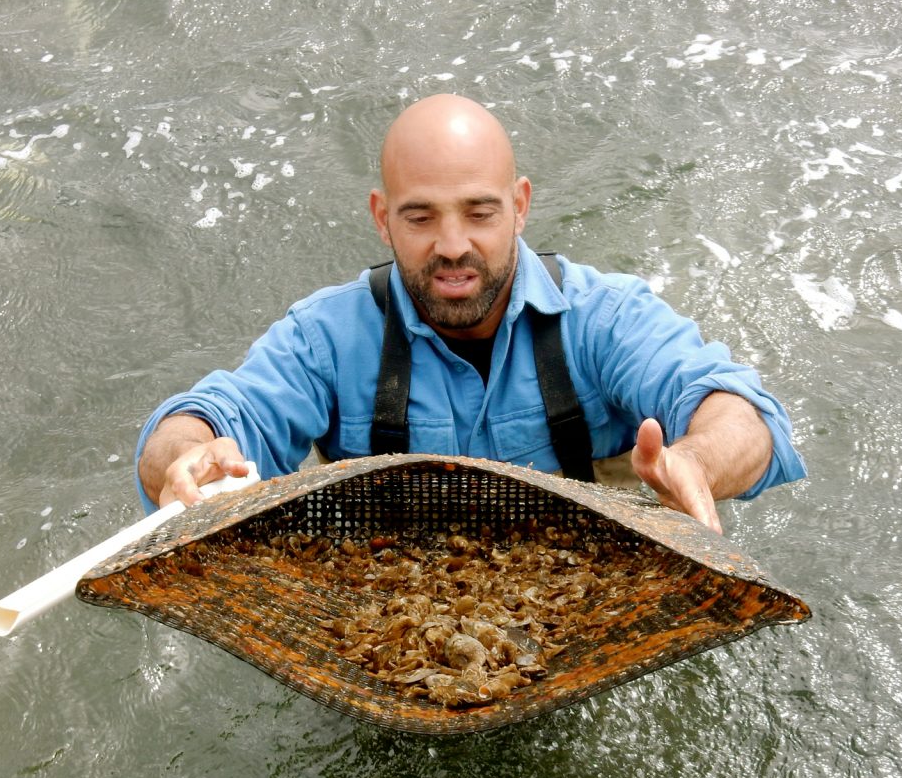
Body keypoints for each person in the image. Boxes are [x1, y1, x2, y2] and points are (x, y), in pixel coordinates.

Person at [137, 94, 805, 534]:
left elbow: (748, 419)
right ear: (381, 218)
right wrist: (191, 457)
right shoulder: (326, 338)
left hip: (580, 603)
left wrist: (697, 461)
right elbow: (205, 420)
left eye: (480, 213)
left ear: (520, 206)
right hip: (392, 617)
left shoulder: (604, 317)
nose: (452, 245)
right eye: (420, 216)